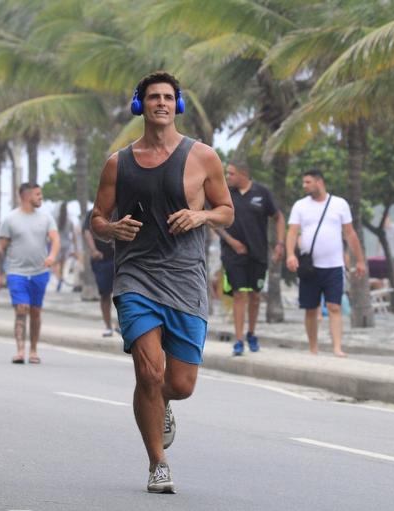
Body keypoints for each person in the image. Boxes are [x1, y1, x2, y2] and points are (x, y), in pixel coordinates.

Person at [90, 71, 233, 494]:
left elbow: (226, 209)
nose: (161, 104)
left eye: (168, 97)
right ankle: (157, 462)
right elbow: (96, 217)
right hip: (135, 276)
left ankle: (164, 405)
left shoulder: (203, 156)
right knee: (149, 372)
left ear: (178, 104)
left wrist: (201, 215)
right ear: (140, 105)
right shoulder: (119, 162)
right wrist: (111, 230)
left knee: (180, 385)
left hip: (186, 278)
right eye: (153, 97)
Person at [285, 169, 366, 357]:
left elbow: (350, 233)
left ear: (319, 182)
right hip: (309, 266)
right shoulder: (300, 206)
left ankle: (337, 347)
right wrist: (290, 254)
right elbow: (292, 232)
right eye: (303, 182)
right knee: (311, 308)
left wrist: (360, 260)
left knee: (334, 306)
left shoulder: (340, 204)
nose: (304, 186)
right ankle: (313, 347)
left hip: (334, 265)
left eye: (308, 182)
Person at [215, 159, 284, 356]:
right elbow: (214, 221)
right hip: (232, 255)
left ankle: (251, 333)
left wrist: (279, 243)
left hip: (258, 254)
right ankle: (238, 340)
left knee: (255, 296)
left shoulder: (262, 193)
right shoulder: (225, 194)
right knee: (239, 294)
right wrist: (231, 241)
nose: (227, 177)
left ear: (243, 175)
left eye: (231, 173)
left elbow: (278, 217)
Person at [0, 183, 60, 364]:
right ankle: (20, 351)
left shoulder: (46, 218)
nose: (41, 197)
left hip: (40, 272)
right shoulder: (10, 219)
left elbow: (55, 239)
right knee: (21, 309)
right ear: (26, 196)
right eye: (38, 194)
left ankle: (34, 350)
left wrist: (52, 256)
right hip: (16, 272)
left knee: (35, 311)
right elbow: (0, 249)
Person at [82, 210, 116, 336]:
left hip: (119, 257)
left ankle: (120, 325)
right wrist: (94, 250)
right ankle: (108, 326)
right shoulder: (93, 212)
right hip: (101, 259)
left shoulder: (121, 208)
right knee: (105, 294)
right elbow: (87, 232)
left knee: (123, 293)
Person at [53, 201, 78, 292]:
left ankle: (59, 278)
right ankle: (61, 277)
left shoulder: (55, 219)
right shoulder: (69, 221)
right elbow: (74, 235)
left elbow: (52, 233)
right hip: (66, 244)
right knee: (63, 264)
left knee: (55, 264)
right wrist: (75, 248)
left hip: (57, 244)